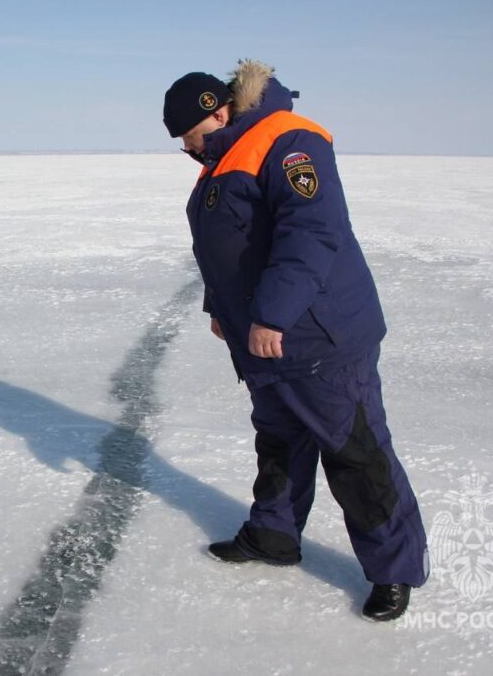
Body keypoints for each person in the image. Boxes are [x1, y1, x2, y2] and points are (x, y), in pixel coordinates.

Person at [162, 59, 429, 621]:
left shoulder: (287, 140)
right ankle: (274, 536)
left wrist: (273, 316)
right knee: (280, 441)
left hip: (318, 337)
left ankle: (395, 570)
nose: (191, 151)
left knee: (355, 452)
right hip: (267, 344)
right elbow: (228, 249)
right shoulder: (225, 155)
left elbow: (310, 232)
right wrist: (221, 310)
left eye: (194, 138)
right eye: (183, 146)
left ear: (221, 110)